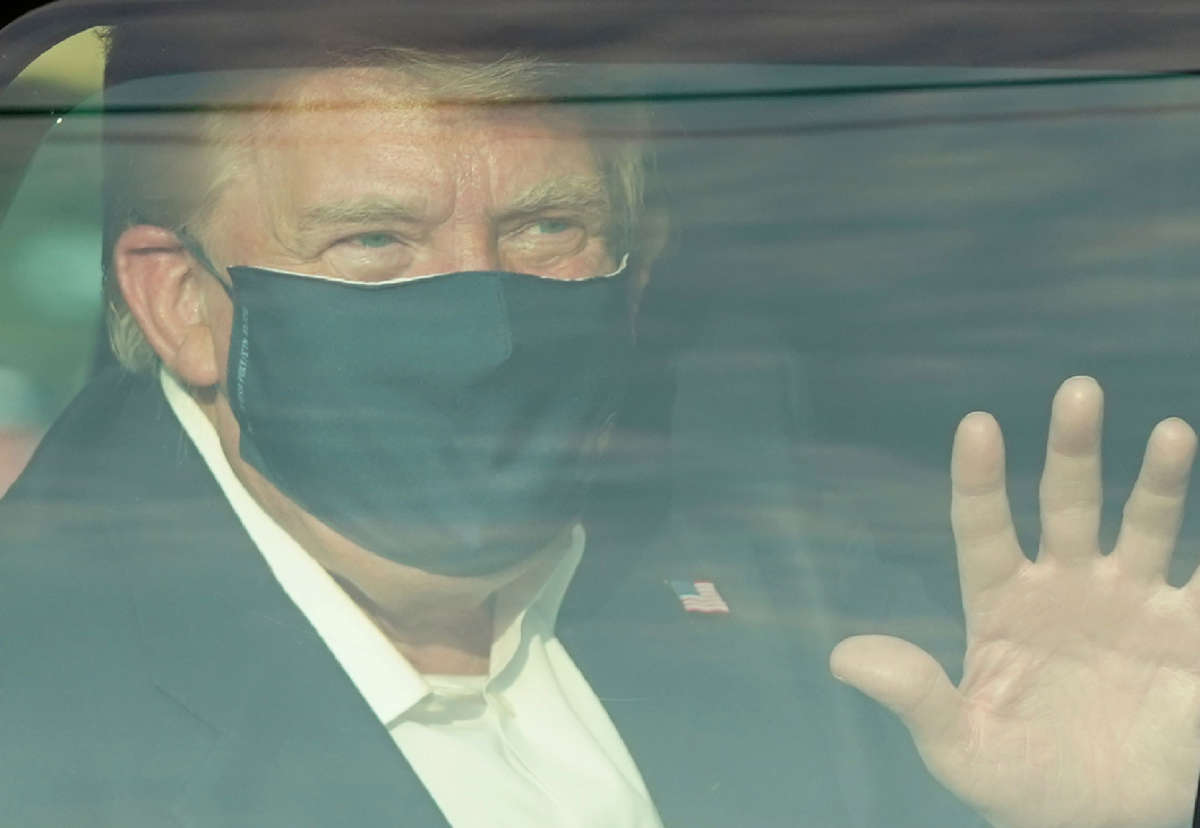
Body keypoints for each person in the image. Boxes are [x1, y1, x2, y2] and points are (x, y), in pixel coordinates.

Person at [3, 44, 1200, 828]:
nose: (483, 317)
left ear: (633, 275)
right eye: (374, 242)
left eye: (545, 227)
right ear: (185, 304)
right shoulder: (37, 712)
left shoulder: (832, 628)